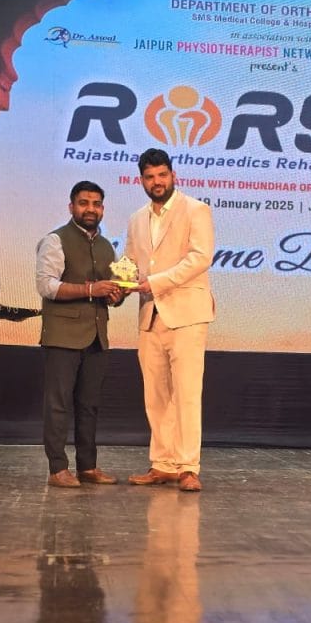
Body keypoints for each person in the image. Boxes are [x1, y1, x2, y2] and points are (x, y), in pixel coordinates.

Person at [125, 148, 215, 492]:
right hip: (150, 314)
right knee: (156, 395)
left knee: (187, 393)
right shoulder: (137, 218)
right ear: (141, 180)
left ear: (173, 175)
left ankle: (188, 466)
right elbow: (131, 263)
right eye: (150, 177)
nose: (157, 182)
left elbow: (200, 258)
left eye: (162, 175)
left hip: (187, 313)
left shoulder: (196, 209)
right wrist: (120, 284)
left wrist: (155, 282)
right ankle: (163, 464)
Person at [35, 180, 123, 488]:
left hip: (97, 335)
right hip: (62, 335)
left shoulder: (107, 246)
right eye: (84, 203)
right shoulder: (55, 240)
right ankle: (58, 468)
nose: (90, 209)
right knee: (58, 404)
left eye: (96, 204)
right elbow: (46, 285)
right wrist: (90, 290)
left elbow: (111, 289)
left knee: (89, 405)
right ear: (71, 206)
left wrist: (116, 295)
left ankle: (88, 466)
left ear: (103, 209)